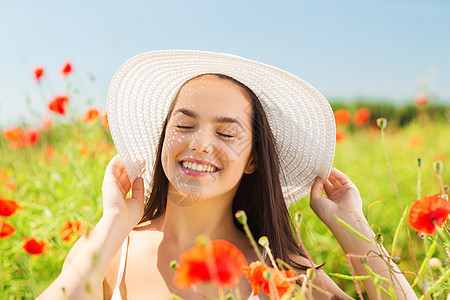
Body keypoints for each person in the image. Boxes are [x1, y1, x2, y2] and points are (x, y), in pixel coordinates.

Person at [38, 50, 417, 299]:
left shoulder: (280, 272)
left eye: (226, 132)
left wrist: (352, 225)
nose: (201, 144)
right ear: (163, 139)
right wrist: (115, 222)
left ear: (253, 159)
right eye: (184, 126)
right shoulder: (109, 251)